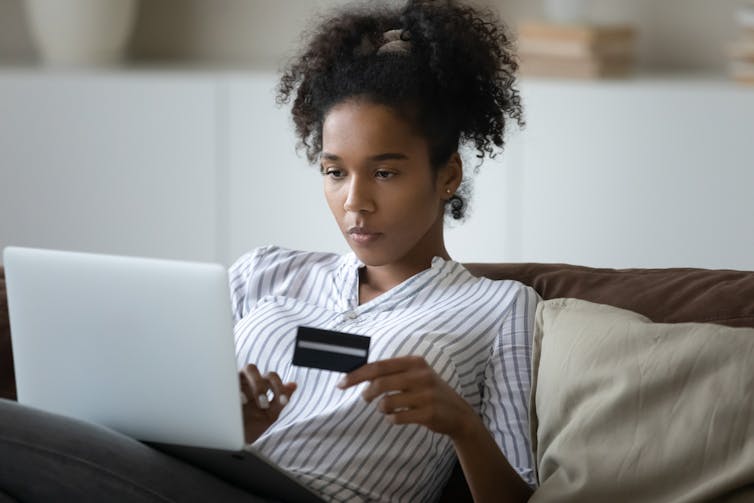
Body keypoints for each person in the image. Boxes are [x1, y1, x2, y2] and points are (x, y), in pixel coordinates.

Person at [0, 0, 538, 502]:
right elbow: (168, 407)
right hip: (205, 475)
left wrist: (462, 426)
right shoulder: (266, 271)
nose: (356, 202)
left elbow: (521, 495)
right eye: (334, 172)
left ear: (447, 176)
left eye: (384, 172)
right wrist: (232, 429)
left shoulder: (500, 309)